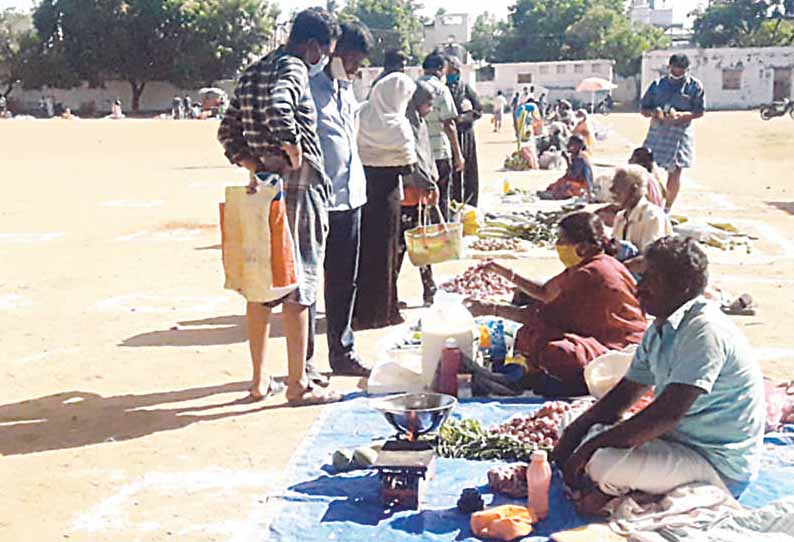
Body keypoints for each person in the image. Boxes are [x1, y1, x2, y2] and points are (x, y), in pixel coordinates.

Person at [553, 236, 765, 515]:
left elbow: (666, 415)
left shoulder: (704, 331)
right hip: (680, 445)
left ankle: (639, 493)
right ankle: (635, 487)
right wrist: (571, 437)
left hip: (718, 464)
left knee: (604, 463)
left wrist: (588, 448)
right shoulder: (661, 328)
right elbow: (621, 397)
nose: (639, 289)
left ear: (683, 287)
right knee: (573, 421)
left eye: (651, 279)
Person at [217, 7, 342, 406]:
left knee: (260, 283)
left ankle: (258, 382)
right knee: (299, 283)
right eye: (324, 50)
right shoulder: (293, 68)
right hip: (297, 185)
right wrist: (291, 146)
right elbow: (279, 105)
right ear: (311, 45)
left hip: (262, 185)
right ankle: (297, 385)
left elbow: (226, 130)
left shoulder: (253, 70)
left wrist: (253, 163)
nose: (322, 58)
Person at [466, 212, 647, 396]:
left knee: (556, 351)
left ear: (582, 247)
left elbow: (540, 316)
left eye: (562, 240)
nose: (558, 246)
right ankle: (522, 379)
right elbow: (545, 292)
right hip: (600, 337)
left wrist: (490, 309)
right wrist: (501, 270)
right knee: (529, 334)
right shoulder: (589, 265)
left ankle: (538, 382)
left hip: (621, 350)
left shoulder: (592, 273)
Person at [305, 21, 374, 381]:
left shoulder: (347, 91)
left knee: (345, 280)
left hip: (352, 197)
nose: (356, 68)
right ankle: (304, 362)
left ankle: (342, 352)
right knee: (309, 281)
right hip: (317, 199)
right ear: (333, 51)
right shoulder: (306, 87)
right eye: (351, 60)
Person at [354, 72, 417, 329]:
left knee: (361, 252)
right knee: (385, 253)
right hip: (388, 195)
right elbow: (408, 165)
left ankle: (359, 310)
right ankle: (383, 311)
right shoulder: (398, 125)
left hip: (360, 191)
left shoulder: (361, 114)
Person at [641, 53, 705, 212]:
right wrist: (654, 112)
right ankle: (653, 199)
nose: (678, 72)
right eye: (675, 68)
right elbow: (643, 109)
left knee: (675, 170)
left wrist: (683, 115)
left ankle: (667, 208)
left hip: (680, 132)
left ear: (687, 69)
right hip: (658, 130)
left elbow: (699, 111)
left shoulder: (694, 87)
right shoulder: (657, 85)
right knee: (647, 166)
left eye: (682, 69)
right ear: (669, 67)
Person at [397, 80, 440, 307]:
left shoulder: (419, 121)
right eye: (429, 104)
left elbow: (427, 156)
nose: (430, 109)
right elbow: (416, 159)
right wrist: (430, 183)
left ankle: (428, 287)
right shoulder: (409, 122)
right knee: (405, 245)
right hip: (409, 193)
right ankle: (393, 292)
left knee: (418, 243)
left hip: (418, 193)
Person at [418, 52, 464, 220]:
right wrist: (458, 155)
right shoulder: (441, 89)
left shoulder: (412, 87)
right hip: (439, 153)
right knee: (441, 197)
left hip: (418, 153)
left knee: (420, 200)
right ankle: (441, 237)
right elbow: (449, 125)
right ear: (440, 69)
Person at [610, 165, 673, 271]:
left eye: (618, 187)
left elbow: (650, 260)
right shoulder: (620, 217)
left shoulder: (652, 216)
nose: (612, 190)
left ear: (633, 190)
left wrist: (620, 270)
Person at [446, 56, 483, 206]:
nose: (450, 74)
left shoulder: (466, 89)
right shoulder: (443, 89)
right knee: (451, 170)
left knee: (468, 169)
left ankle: (470, 203)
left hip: (465, 134)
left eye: (452, 71)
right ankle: (453, 203)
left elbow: (478, 110)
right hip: (449, 134)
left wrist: (463, 118)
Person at [540, 135, 593, 201]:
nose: (570, 146)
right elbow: (569, 174)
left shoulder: (581, 159)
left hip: (583, 186)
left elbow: (574, 175)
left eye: (573, 145)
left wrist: (567, 160)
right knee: (557, 183)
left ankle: (557, 195)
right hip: (575, 181)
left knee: (566, 186)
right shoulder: (574, 157)